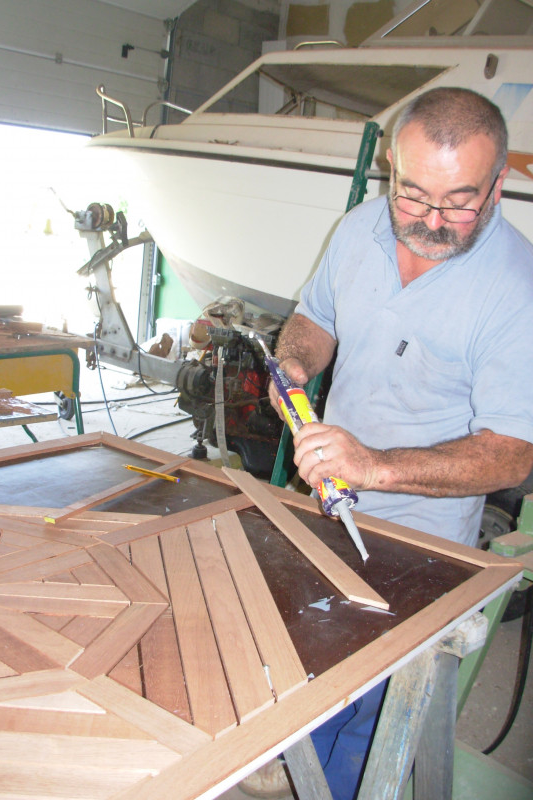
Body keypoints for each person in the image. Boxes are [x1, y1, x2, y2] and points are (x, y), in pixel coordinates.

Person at [268, 87, 533, 800]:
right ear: (389, 168)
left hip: (422, 548)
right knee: (302, 678)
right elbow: (312, 320)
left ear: (498, 183)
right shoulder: (359, 229)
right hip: (325, 503)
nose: (430, 220)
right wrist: (294, 365)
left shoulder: (517, 288)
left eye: (458, 202)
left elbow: (515, 451)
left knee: (367, 729)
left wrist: (375, 465)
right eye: (412, 195)